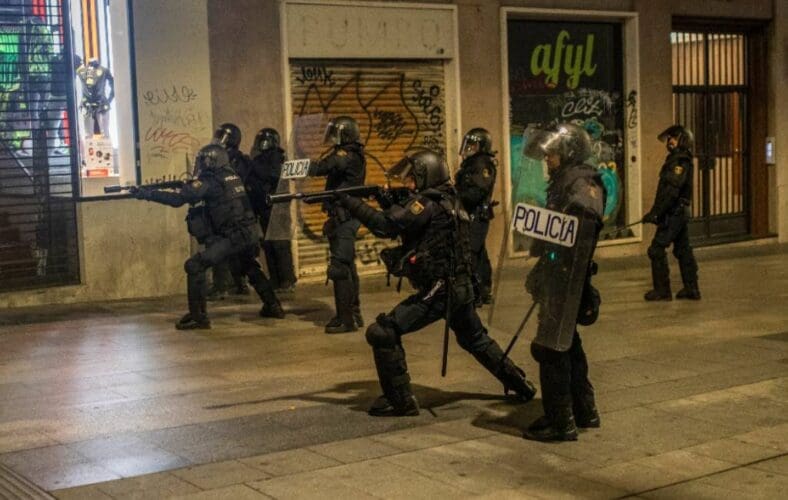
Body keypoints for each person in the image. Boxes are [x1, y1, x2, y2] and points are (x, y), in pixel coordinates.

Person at [336, 149, 536, 416]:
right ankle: (521, 384)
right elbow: (409, 222)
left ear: (426, 175)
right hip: (460, 287)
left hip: (440, 289)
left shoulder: (426, 203)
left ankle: (400, 402)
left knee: (382, 332)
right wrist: (384, 200)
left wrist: (350, 202)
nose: (408, 184)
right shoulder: (449, 200)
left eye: (412, 179)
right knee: (475, 339)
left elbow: (387, 226)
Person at [131, 143, 284, 329]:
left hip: (234, 235)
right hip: (248, 232)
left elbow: (178, 199)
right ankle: (273, 305)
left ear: (212, 161)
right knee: (249, 266)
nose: (201, 164)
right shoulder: (231, 176)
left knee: (194, 265)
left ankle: (198, 317)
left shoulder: (211, 181)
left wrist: (146, 194)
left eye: (203, 160)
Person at [522, 124, 604, 442]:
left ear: (568, 152)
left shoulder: (581, 180)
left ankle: (561, 422)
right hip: (559, 274)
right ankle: (584, 411)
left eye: (553, 153)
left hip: (568, 278)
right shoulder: (564, 180)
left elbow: (584, 220)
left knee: (550, 346)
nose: (548, 159)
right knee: (568, 344)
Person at [308, 116, 366, 333]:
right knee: (348, 265)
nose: (332, 139)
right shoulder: (354, 153)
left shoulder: (346, 155)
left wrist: (298, 167)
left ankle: (346, 320)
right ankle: (354, 312)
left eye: (336, 134)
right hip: (344, 216)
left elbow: (323, 167)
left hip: (345, 218)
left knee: (339, 267)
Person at [643, 125, 700, 301]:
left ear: (682, 139)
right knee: (683, 250)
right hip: (677, 212)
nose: (669, 141)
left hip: (674, 212)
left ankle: (662, 291)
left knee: (656, 249)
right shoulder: (677, 159)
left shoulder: (679, 161)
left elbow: (671, 191)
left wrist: (655, 213)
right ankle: (691, 289)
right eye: (669, 138)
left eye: (673, 138)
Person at [205, 123, 251, 300]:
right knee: (230, 248)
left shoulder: (239, 160)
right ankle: (233, 283)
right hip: (226, 209)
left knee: (226, 248)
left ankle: (226, 285)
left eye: (222, 137)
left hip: (233, 209)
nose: (218, 140)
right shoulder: (220, 158)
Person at [248, 127, 297, 292]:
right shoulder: (259, 159)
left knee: (280, 244)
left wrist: (253, 166)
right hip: (265, 207)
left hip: (278, 208)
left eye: (266, 141)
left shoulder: (278, 157)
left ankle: (287, 280)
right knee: (268, 245)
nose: (263, 144)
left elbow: (273, 175)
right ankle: (275, 280)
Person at [456, 128, 497, 305]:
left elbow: (478, 191)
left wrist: (457, 195)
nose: (469, 148)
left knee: (471, 252)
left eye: (473, 145)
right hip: (471, 213)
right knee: (478, 252)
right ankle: (483, 290)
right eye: (468, 145)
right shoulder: (472, 164)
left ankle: (476, 292)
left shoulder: (482, 165)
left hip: (477, 214)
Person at [76, 57, 114, 137]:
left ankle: (103, 146)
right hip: (100, 102)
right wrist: (109, 99)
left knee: (90, 133)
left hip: (89, 103)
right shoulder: (104, 70)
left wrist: (109, 99)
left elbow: (113, 86)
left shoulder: (81, 71)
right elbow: (113, 86)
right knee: (103, 132)